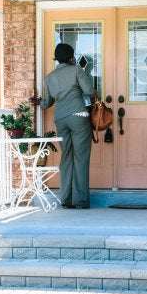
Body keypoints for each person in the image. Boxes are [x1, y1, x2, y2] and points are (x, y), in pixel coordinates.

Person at [39, 43, 95, 209]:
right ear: (72, 57)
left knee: (66, 158)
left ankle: (66, 199)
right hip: (79, 116)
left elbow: (47, 103)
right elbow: (90, 91)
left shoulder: (49, 77)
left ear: (56, 58)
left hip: (61, 118)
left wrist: (39, 103)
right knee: (81, 157)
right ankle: (81, 200)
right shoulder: (77, 70)